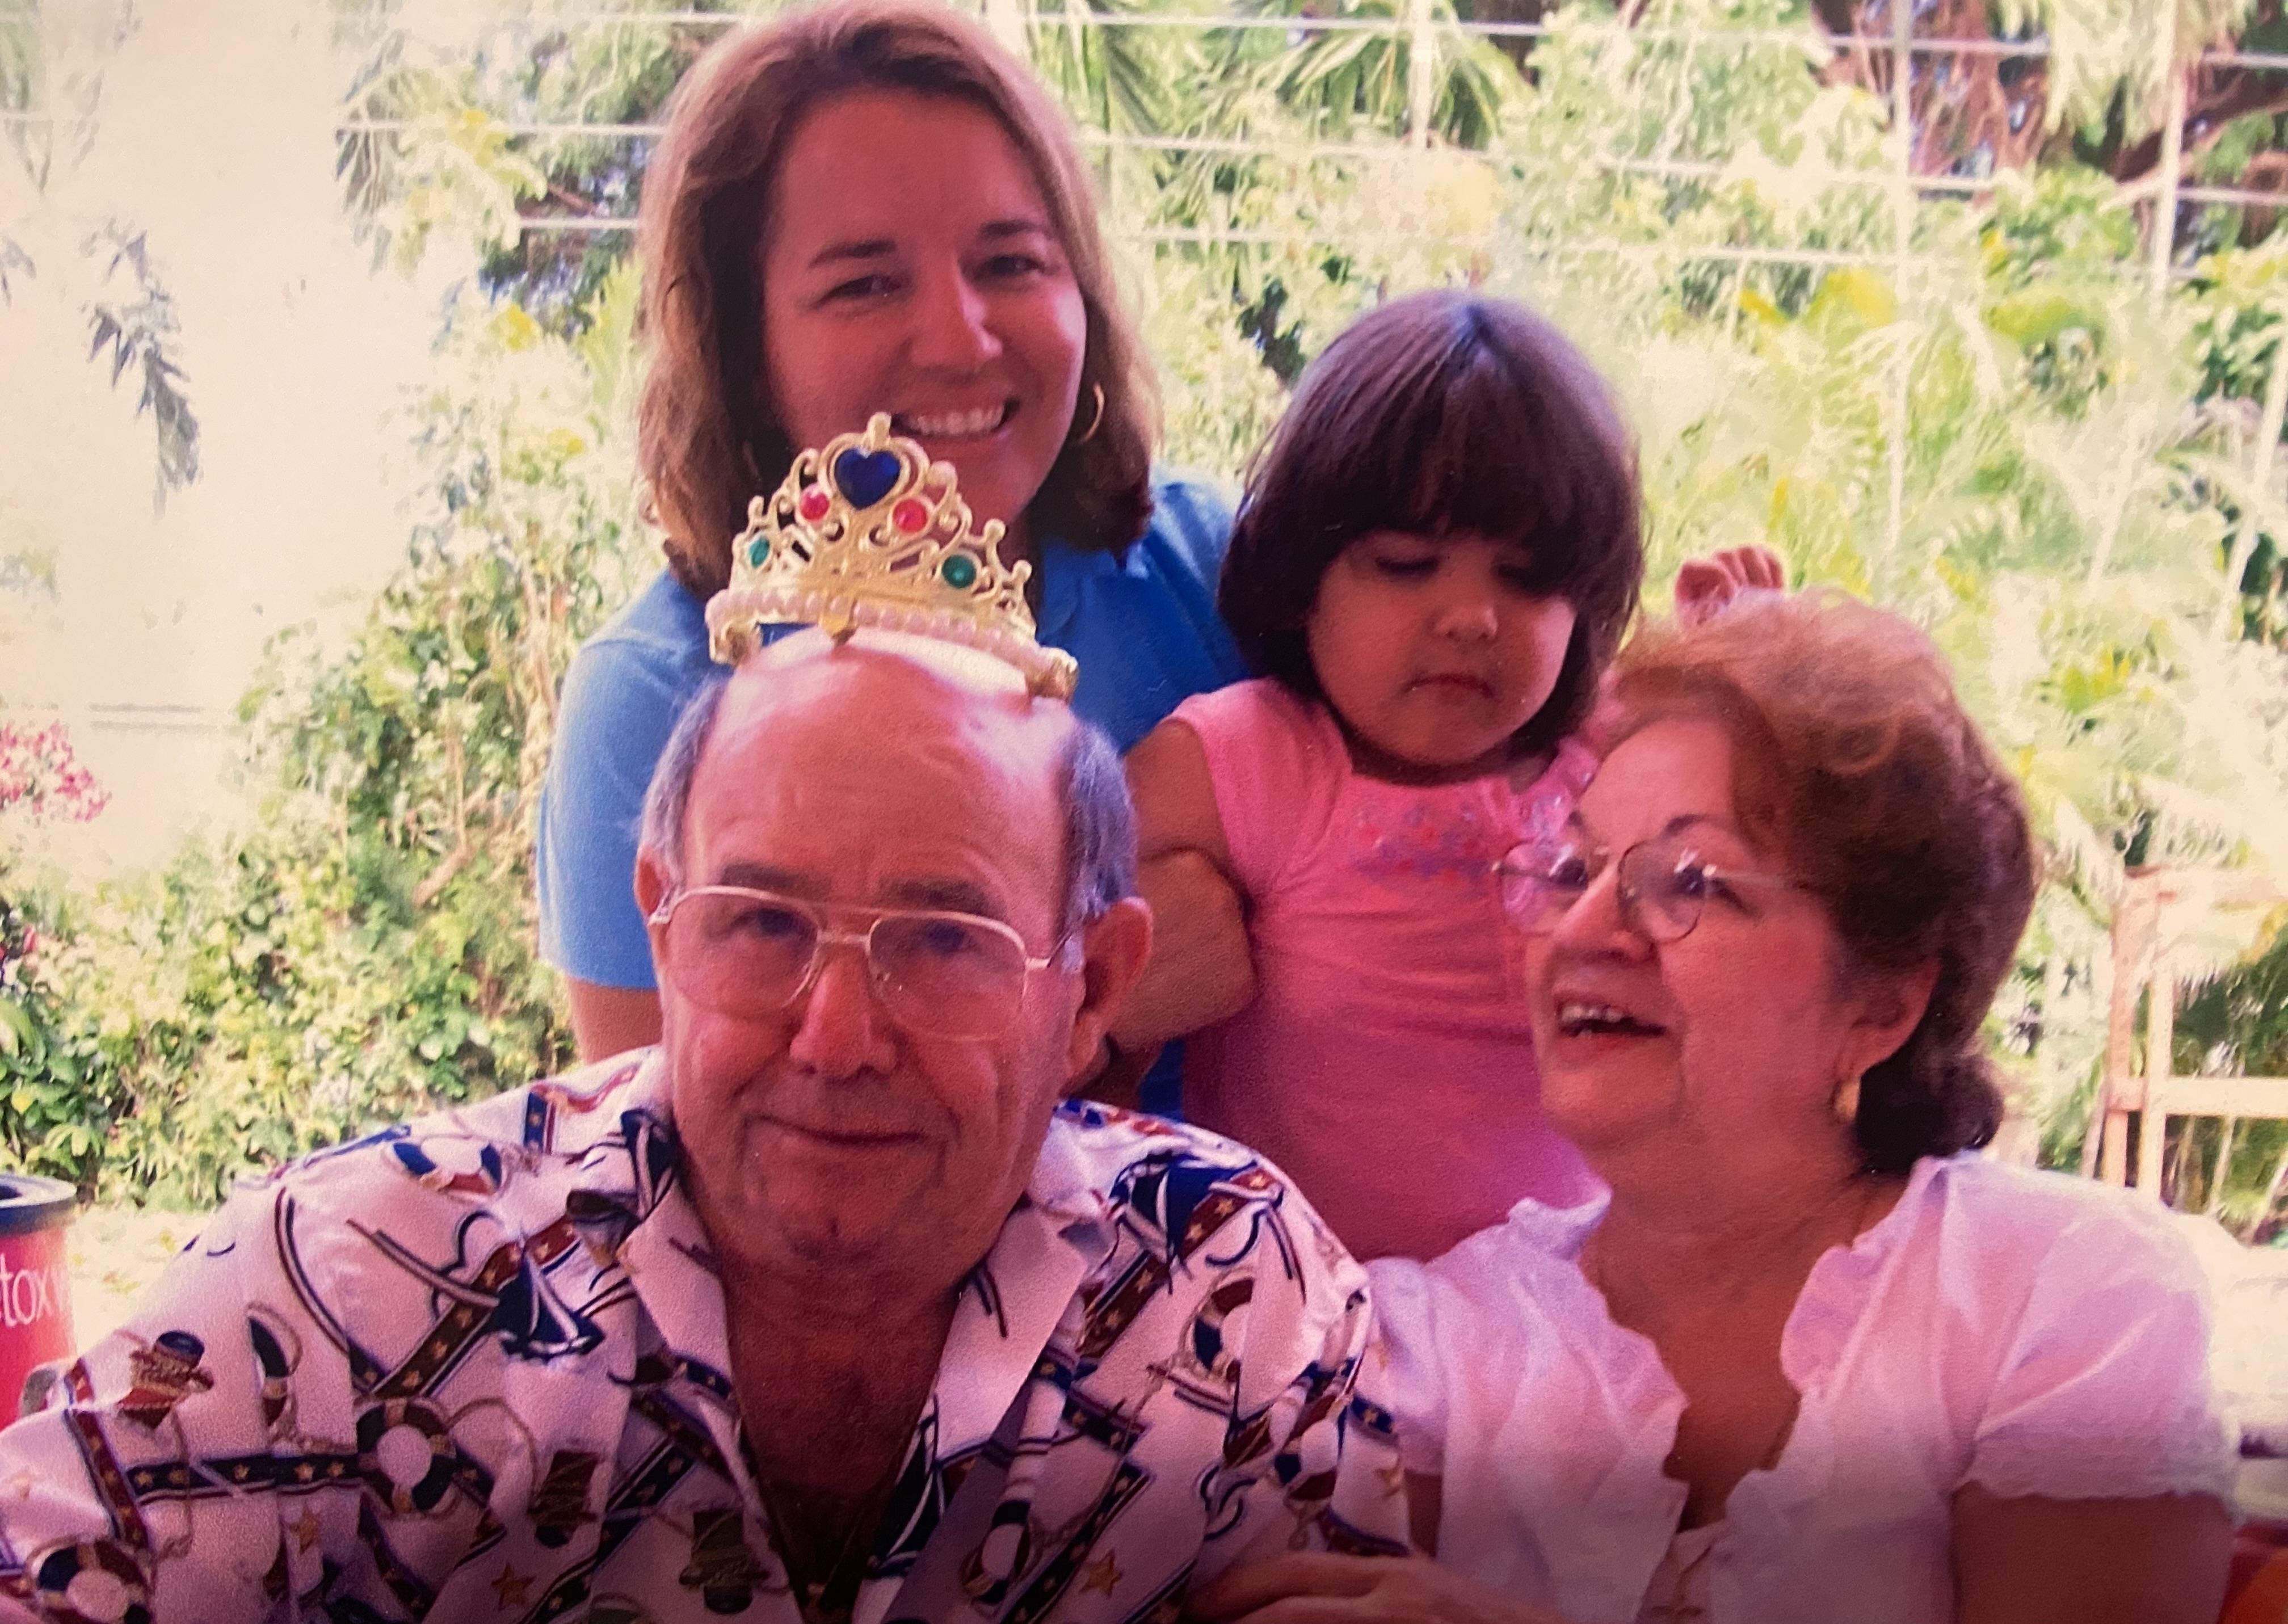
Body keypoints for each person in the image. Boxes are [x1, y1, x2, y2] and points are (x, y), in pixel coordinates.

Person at [0, 629, 1402, 1623]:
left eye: (945, 940)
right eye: (760, 924)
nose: (836, 1038)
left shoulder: (1234, 1291)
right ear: (661, 927)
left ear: (1091, 982)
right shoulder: (342, 1287)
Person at [1196, 590, 2236, 1624]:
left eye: (1690, 881)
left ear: (1881, 1004)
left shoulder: (2060, 1295)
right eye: (1573, 867)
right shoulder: (1441, 1343)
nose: (1586, 928)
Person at [537, 0, 1244, 1063]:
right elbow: (669, 1190)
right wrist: (1088, 1011)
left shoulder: (1225, 579)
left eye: (1012, 264)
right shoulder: (659, 697)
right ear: (747, 352)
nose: (962, 339)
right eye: (865, 283)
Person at [1111, 291, 1644, 1261]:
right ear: (1299, 575)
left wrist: (1751, 650)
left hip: (1575, 1330)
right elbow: (1042, 935)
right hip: (1309, 1340)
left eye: (1526, 579)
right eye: (1407, 563)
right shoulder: (1250, 762)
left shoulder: (1618, 765)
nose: (1471, 617)